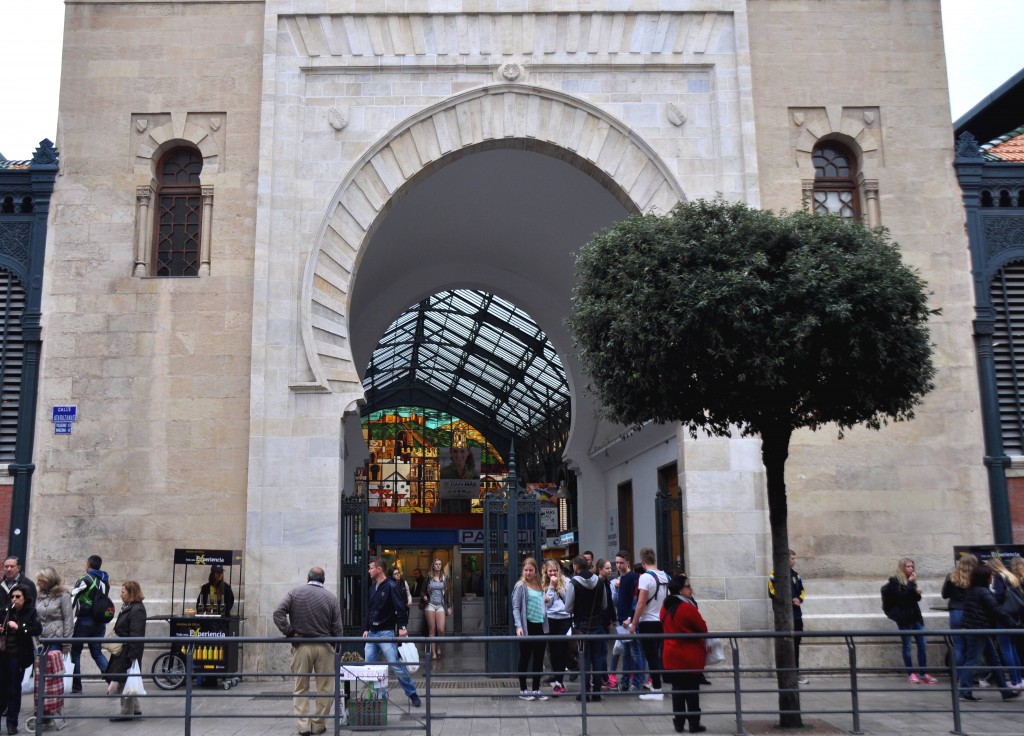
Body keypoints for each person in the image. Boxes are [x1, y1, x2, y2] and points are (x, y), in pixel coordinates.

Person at [273, 566, 345, 735]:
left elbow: (278, 613)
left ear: (307, 577)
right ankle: (318, 725)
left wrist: (290, 632)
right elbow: (338, 627)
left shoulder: (295, 593)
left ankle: (303, 726)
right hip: (325, 647)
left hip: (301, 646)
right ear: (323, 580)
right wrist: (338, 647)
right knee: (326, 688)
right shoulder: (331, 598)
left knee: (301, 687)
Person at [958, 562, 1021, 702]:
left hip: (978, 629)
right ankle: (964, 692)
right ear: (985, 577)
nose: (992, 577)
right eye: (990, 574)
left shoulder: (973, 590)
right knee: (972, 661)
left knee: (994, 660)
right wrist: (1013, 624)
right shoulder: (983, 592)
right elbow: (996, 610)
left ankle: (1005, 691)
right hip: (978, 630)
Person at [363, 557, 421, 708]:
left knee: (396, 665)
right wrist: (366, 628)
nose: (369, 570)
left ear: (379, 569)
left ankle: (412, 694)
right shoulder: (372, 587)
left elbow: (400, 607)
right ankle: (379, 696)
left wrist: (402, 627)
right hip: (372, 633)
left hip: (386, 633)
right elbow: (370, 610)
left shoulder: (391, 586)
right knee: (370, 667)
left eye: (371, 568)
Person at [662, 575, 709, 734]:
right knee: (691, 691)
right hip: (688, 655)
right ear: (680, 589)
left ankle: (679, 722)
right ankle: (694, 723)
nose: (691, 589)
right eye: (688, 586)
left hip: (671, 654)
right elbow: (703, 628)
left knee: (677, 690)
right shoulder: (687, 607)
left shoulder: (665, 606)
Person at [566, 555, 614, 702]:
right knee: (598, 658)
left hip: (581, 629)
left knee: (584, 658)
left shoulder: (574, 583)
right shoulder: (599, 582)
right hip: (598, 627)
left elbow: (568, 607)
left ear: (575, 566)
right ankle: (597, 692)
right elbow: (605, 604)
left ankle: (585, 692)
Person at [881, 557, 936, 684]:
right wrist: (911, 585)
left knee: (922, 644)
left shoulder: (911, 580)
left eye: (912, 566)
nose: (911, 569)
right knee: (907, 646)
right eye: (908, 566)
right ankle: (911, 674)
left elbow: (913, 599)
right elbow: (901, 598)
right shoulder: (895, 581)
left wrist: (917, 593)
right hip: (904, 618)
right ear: (902, 568)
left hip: (915, 616)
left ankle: (923, 673)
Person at [630, 546, 670, 700]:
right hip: (661, 621)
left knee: (651, 656)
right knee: (657, 655)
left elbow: (641, 603)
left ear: (642, 561)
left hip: (648, 621)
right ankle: (656, 686)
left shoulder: (646, 577)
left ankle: (657, 689)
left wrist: (634, 623)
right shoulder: (665, 576)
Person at [0, 584, 41, 734]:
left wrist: (19, 627)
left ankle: (12, 724)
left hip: (17, 658)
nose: (14, 599)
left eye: (18, 597)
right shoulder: (5, 612)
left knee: (14, 691)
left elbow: (37, 629)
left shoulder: (30, 612)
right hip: (3, 656)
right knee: (1, 690)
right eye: (13, 596)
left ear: (25, 599)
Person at [104, 581, 147, 722]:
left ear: (132, 593)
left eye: (123, 591)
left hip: (129, 650)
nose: (120, 594)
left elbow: (137, 634)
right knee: (126, 678)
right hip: (123, 649)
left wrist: (133, 655)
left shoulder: (137, 609)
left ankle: (126, 712)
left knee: (124, 680)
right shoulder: (128, 606)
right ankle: (136, 708)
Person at [69, 554, 110, 694]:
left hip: (85, 620)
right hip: (100, 622)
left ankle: (76, 687)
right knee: (97, 653)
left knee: (75, 652)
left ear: (88, 565)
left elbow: (72, 598)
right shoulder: (105, 581)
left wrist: (68, 617)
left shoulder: (85, 579)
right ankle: (113, 682)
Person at [512, 558, 549, 701]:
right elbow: (516, 608)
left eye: (531, 570)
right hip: (527, 626)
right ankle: (523, 689)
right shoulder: (520, 586)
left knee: (539, 659)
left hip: (540, 625)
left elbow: (544, 603)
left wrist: (548, 600)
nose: (528, 573)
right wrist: (519, 626)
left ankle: (536, 689)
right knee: (525, 657)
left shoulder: (540, 585)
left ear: (535, 571)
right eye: (526, 570)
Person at [768, 549, 807, 684]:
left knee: (796, 644)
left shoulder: (796, 575)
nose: (794, 561)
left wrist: (798, 600)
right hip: (785, 616)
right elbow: (772, 592)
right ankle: (786, 672)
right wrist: (788, 599)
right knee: (785, 644)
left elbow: (802, 591)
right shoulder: (774, 574)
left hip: (796, 615)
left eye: (794, 558)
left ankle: (796, 672)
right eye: (792, 558)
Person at [986, 557, 1023, 688]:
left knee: (1006, 649)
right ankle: (1019, 679)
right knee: (1012, 648)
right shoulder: (1010, 575)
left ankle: (1014, 681)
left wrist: (990, 592)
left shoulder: (998, 577)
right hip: (1013, 616)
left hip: (1003, 616)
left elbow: (999, 596)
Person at [941, 553, 978, 685]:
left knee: (958, 646)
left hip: (956, 612)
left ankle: (956, 677)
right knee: (971, 647)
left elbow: (944, 595)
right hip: (970, 613)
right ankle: (967, 677)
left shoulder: (951, 576)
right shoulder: (975, 577)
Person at [613, 551, 643, 692]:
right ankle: (625, 681)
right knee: (626, 652)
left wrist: (630, 617)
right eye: (617, 563)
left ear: (627, 563)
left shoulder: (632, 578)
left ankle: (636, 682)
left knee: (634, 652)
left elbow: (635, 600)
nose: (618, 565)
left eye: (621, 563)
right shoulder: (623, 578)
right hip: (622, 618)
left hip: (628, 619)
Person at [542, 559, 572, 696]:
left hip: (564, 619)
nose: (552, 573)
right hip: (550, 619)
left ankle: (559, 682)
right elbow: (546, 604)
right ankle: (557, 676)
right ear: (546, 572)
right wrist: (551, 587)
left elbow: (569, 600)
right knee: (553, 651)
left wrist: (559, 586)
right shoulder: (544, 583)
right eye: (550, 571)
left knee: (562, 650)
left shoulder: (567, 581)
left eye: (555, 570)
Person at [422, 559, 452, 660]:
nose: (438, 566)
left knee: (441, 630)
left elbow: (448, 594)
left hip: (441, 605)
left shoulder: (445, 578)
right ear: (433, 565)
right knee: (432, 630)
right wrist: (424, 596)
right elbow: (422, 591)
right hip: (430, 605)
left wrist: (449, 607)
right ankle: (434, 653)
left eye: (440, 564)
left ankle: (439, 648)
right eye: (436, 564)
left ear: (441, 566)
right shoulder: (428, 577)